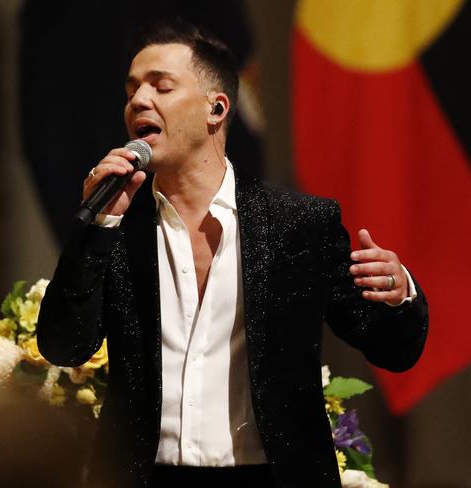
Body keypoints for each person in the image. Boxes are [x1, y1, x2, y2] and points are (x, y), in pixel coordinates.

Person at [37, 18, 428, 488]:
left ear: (216, 109)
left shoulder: (297, 224)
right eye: (132, 90)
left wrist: (400, 291)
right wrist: (96, 229)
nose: (139, 101)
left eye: (161, 86)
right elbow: (63, 345)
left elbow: (394, 349)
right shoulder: (118, 227)